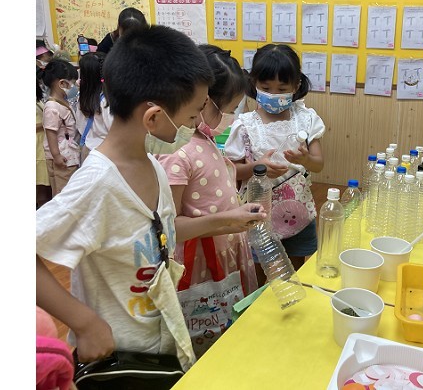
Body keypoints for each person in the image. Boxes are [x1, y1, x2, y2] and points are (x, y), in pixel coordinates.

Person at [36, 24, 214, 372]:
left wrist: (224, 222)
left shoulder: (153, 165)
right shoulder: (97, 184)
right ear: (153, 117)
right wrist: (85, 323)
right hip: (120, 363)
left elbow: (158, 234)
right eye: (192, 116)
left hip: (161, 347)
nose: (195, 126)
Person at [156, 45, 265, 357]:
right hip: (199, 262)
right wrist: (228, 219)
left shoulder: (204, 137)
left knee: (227, 327)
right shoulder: (177, 152)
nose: (229, 118)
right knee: (204, 332)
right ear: (200, 100)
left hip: (225, 249)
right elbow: (170, 227)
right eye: (224, 109)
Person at [224, 44, 325, 285]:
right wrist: (257, 168)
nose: (273, 94)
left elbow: (319, 164)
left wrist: (305, 160)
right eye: (266, 88)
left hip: (298, 212)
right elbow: (232, 171)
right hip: (259, 214)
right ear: (254, 84)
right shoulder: (245, 125)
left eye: (282, 89)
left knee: (294, 274)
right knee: (260, 274)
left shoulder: (306, 118)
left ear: (296, 86)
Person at [38, 59, 80, 196]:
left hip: (69, 155)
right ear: (62, 83)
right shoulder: (52, 107)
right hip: (62, 158)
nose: (75, 86)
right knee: (63, 193)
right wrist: (56, 156)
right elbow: (51, 133)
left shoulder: (63, 101)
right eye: (72, 82)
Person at [75, 51, 111, 164]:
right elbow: (115, 130)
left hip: (88, 151)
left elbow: (80, 126)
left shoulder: (82, 98)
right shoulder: (107, 102)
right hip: (106, 155)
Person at [36, 67, 53, 209]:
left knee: (46, 188)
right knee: (40, 188)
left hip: (43, 145)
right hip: (37, 148)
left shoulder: (38, 100)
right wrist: (46, 122)